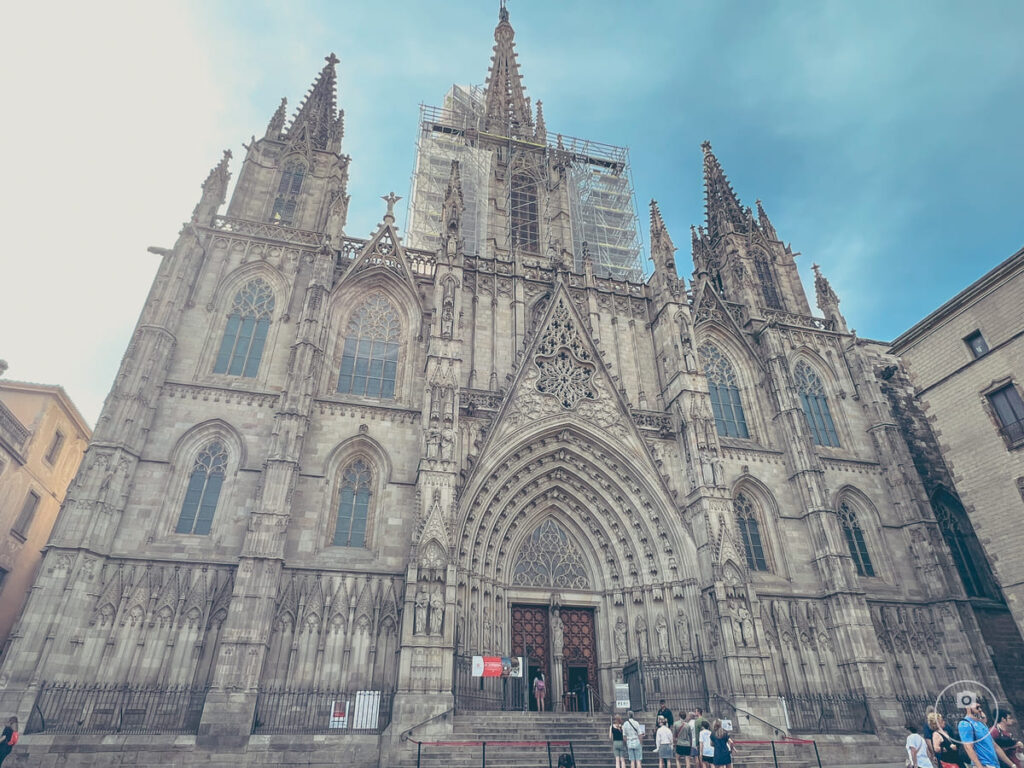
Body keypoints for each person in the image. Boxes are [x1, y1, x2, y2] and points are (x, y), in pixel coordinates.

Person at [960, 701, 1013, 768]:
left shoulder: (981, 723)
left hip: (994, 765)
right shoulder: (965, 724)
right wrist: (979, 766)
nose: (980, 709)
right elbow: (968, 748)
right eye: (977, 707)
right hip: (984, 765)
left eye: (980, 707)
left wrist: (1012, 764)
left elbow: (995, 746)